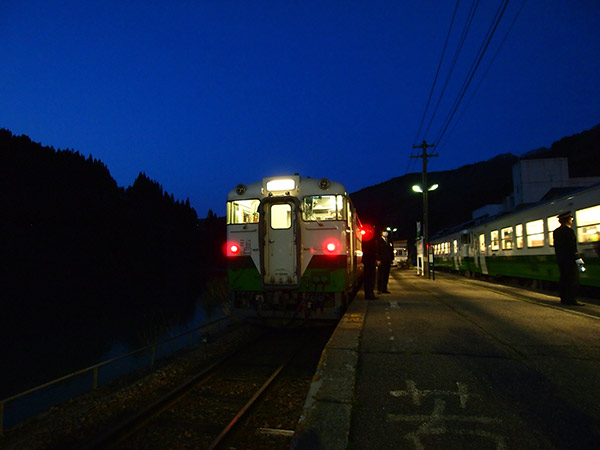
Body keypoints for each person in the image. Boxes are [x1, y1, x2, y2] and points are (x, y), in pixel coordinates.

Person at [553, 211, 584, 306]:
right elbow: (572, 247)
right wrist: (578, 258)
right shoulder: (569, 231)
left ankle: (563, 298)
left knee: (563, 278)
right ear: (568, 220)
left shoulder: (556, 232)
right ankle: (571, 299)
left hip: (561, 259)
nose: (571, 221)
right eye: (571, 219)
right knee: (572, 280)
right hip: (570, 260)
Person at [362, 230, 378, 299]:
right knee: (370, 279)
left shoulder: (364, 242)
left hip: (367, 261)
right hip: (370, 261)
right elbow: (374, 251)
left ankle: (369, 294)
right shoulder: (371, 242)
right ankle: (369, 294)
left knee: (368, 279)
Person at [377, 230, 394, 294]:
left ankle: (384, 289)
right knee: (381, 275)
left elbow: (391, 250)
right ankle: (379, 289)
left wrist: (392, 259)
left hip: (388, 260)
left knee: (386, 275)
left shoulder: (389, 241)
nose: (385, 233)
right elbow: (377, 251)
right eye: (384, 232)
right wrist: (378, 259)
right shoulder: (379, 241)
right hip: (381, 260)